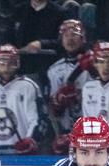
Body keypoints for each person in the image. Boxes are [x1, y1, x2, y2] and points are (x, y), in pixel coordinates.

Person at [33, 19, 95, 154]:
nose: (70, 39)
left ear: (83, 38)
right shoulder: (54, 70)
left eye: (74, 35)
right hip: (68, 133)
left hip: (95, 131)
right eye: (66, 36)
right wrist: (58, 102)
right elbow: (53, 112)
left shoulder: (97, 61)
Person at [0, 44, 45, 154]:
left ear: (17, 63)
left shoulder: (27, 86)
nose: (6, 65)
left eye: (10, 61)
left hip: (20, 149)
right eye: (2, 61)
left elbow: (37, 119)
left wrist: (31, 139)